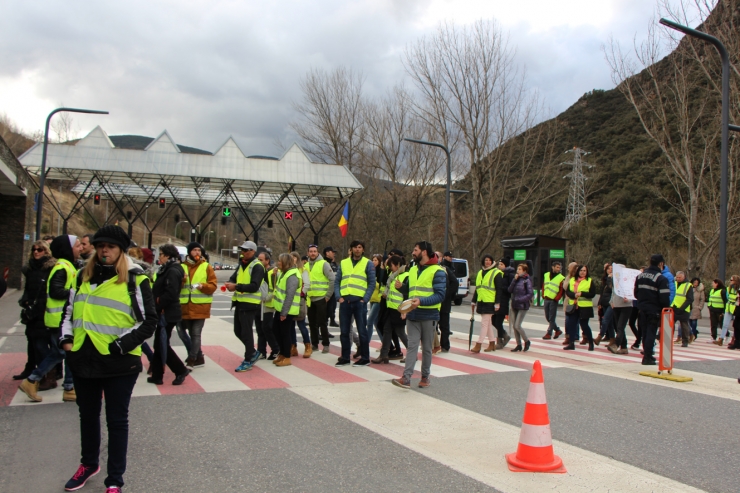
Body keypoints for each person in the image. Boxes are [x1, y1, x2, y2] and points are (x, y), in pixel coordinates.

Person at [58, 225, 157, 493]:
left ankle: (115, 478)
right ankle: (88, 464)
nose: (104, 250)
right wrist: (66, 340)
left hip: (118, 362)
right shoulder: (82, 277)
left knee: (116, 420)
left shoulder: (136, 279)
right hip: (82, 358)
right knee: (87, 416)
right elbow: (69, 312)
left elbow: (149, 321)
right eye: (100, 245)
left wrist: (121, 345)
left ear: (121, 250)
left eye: (111, 246)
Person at [18, 235, 81, 403]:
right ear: (68, 248)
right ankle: (32, 379)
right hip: (58, 318)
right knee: (60, 352)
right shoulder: (62, 267)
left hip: (61, 317)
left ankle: (69, 387)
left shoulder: (66, 266)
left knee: (67, 352)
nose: (81, 248)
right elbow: (55, 291)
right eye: (78, 245)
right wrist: (78, 294)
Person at [392, 241, 446, 389]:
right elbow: (410, 291)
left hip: (429, 316)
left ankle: (425, 377)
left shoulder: (438, 271)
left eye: (415, 250)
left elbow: (440, 295)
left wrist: (421, 301)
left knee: (427, 348)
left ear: (423, 252)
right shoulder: (413, 269)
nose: (412, 252)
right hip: (413, 314)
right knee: (412, 347)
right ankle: (406, 378)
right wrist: (401, 288)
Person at [147, 244, 189, 386]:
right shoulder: (168, 269)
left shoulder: (172, 270)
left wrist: (159, 303)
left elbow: (171, 293)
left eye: (161, 254)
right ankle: (157, 375)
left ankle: (180, 370)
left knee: (162, 343)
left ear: (168, 256)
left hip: (167, 312)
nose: (159, 257)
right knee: (159, 343)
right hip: (164, 311)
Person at [14, 241, 55, 382]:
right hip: (32, 311)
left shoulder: (50, 268)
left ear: (46, 251)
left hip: (43, 312)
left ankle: (48, 374)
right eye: (34, 249)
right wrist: (25, 302)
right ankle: (31, 368)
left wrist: (42, 307)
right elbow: (27, 289)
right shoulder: (30, 269)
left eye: (40, 249)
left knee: (41, 344)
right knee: (32, 342)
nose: (36, 252)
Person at [334, 240, 375, 367]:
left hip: (359, 302)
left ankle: (365, 358)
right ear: (351, 249)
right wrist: (338, 297)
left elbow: (372, 283)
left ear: (363, 249)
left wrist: (365, 299)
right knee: (344, 331)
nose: (357, 249)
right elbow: (337, 281)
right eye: (355, 247)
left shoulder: (367, 263)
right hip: (345, 301)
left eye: (360, 247)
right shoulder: (344, 263)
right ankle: (345, 357)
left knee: (362, 331)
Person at [225, 241, 265, 371]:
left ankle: (248, 359)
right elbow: (233, 277)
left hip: (250, 304)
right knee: (238, 331)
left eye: (246, 250)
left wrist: (236, 286)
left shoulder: (257, 266)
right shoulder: (242, 264)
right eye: (242, 250)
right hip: (240, 302)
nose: (244, 252)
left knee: (247, 332)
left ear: (253, 251)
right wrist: (230, 283)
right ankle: (253, 352)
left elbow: (254, 286)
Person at [179, 242, 217, 369]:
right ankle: (199, 357)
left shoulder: (206, 266)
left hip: (200, 306)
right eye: (194, 250)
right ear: (189, 252)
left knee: (196, 334)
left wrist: (203, 286)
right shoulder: (182, 267)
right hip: (185, 306)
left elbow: (213, 286)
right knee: (189, 332)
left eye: (199, 250)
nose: (197, 253)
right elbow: (175, 286)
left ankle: (192, 359)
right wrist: (182, 280)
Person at [634, 254, 672, 365]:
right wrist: (665, 309)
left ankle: (646, 354)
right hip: (654, 309)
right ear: (661, 264)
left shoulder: (640, 276)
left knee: (644, 333)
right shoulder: (661, 278)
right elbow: (664, 298)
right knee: (651, 333)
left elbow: (636, 293)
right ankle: (648, 357)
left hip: (641, 309)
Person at [372, 255, 409, 363]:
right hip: (391, 308)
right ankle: (384, 355)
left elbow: (407, 294)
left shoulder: (406, 275)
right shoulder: (394, 275)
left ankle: (412, 354)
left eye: (391, 266)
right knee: (387, 331)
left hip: (399, 310)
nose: (390, 268)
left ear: (397, 265)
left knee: (400, 333)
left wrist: (404, 310)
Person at [272, 253, 301, 367]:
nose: (278, 263)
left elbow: (290, 295)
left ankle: (287, 356)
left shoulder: (292, 275)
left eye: (280, 261)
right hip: (280, 308)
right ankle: (282, 353)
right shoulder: (284, 273)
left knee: (285, 334)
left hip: (287, 310)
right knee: (276, 330)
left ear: (285, 262)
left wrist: (284, 312)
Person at [306, 244, 335, 354]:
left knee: (322, 322)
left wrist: (328, 296)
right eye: (311, 251)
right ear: (308, 253)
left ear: (317, 252)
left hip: (321, 298)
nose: (312, 253)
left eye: (314, 251)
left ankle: (326, 344)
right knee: (312, 323)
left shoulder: (324, 264)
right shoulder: (306, 265)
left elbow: (332, 279)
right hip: (310, 298)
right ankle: (314, 344)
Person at [470, 255, 500, 353]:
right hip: (482, 301)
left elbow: (499, 290)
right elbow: (478, 288)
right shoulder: (480, 272)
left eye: (489, 260)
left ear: (492, 262)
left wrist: (497, 303)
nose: (487, 262)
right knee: (488, 324)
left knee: (484, 324)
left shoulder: (496, 273)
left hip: (490, 301)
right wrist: (474, 301)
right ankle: (492, 343)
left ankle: (479, 344)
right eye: (486, 260)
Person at [563, 264, 596, 351]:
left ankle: (591, 343)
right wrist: (574, 295)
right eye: (581, 270)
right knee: (572, 325)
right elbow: (568, 292)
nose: (582, 272)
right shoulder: (573, 280)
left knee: (584, 325)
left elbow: (592, 294)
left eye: (584, 271)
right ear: (578, 271)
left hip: (585, 307)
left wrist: (582, 294)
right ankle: (571, 343)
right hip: (573, 306)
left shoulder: (589, 280)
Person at [256, 251, 280, 360]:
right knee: (260, 329)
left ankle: (276, 349)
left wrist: (267, 297)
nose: (259, 261)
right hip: (257, 303)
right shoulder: (258, 271)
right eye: (258, 259)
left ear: (267, 261)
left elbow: (276, 288)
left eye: (261, 260)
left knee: (267, 328)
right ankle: (261, 351)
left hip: (268, 304)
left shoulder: (273, 272)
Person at [289, 251, 312, 357]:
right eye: (291, 257)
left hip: (299, 299)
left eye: (294, 257)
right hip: (289, 300)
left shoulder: (303, 270)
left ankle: (308, 346)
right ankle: (293, 347)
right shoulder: (287, 270)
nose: (293, 259)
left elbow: (307, 284)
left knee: (301, 324)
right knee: (291, 326)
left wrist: (301, 293)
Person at [509, 263, 534, 352]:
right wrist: (514, 280)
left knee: (517, 325)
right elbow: (510, 290)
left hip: (522, 305)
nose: (517, 271)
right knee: (514, 326)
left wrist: (520, 299)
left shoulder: (527, 280)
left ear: (524, 271)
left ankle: (526, 341)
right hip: (514, 304)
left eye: (519, 269)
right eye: (517, 269)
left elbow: (530, 293)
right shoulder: (516, 279)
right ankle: (518, 344)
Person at [438, 253, 458, 352]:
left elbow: (455, 282)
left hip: (444, 302)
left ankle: (445, 345)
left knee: (444, 326)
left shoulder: (446, 268)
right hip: (435, 302)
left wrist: (447, 294)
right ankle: (434, 344)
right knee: (432, 326)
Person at [496, 257, 515, 349]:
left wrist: (501, 288)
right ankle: (505, 335)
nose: (499, 266)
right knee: (494, 321)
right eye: (499, 264)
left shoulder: (509, 275)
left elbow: (510, 289)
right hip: (496, 299)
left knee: (498, 321)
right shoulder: (498, 273)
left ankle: (500, 340)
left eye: (502, 264)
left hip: (504, 300)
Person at [542, 261, 564, 340]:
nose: (558, 269)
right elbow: (544, 285)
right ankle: (557, 330)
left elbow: (561, 290)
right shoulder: (546, 275)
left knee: (552, 318)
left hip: (553, 300)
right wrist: (543, 295)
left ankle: (549, 333)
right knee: (547, 317)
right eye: (557, 267)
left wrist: (557, 298)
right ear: (553, 267)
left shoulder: (561, 277)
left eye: (559, 267)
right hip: (546, 298)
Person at [671, 271, 694, 348]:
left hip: (683, 309)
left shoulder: (688, 285)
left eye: (679, 277)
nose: (678, 279)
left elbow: (690, 299)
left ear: (684, 277)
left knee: (684, 325)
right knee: (670, 324)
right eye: (677, 277)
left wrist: (682, 308)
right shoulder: (674, 283)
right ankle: (668, 339)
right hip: (674, 306)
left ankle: (685, 341)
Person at [595, 263, 615, 346]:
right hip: (604, 302)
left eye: (611, 268)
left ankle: (600, 336)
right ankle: (612, 339)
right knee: (609, 322)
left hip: (611, 302)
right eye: (608, 269)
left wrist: (610, 279)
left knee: (605, 319)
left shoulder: (613, 279)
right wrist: (600, 302)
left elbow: (611, 288)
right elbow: (602, 292)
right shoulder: (604, 279)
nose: (610, 270)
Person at [367, 254, 384, 343]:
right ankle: (386, 344)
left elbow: (380, 285)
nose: (374, 262)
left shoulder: (381, 272)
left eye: (376, 260)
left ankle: (366, 343)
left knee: (369, 321)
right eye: (373, 260)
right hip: (372, 299)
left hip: (378, 300)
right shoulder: (371, 272)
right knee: (376, 323)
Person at [717, 275, 739, 346]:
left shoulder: (738, 289)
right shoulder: (728, 289)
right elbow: (727, 298)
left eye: (731, 280)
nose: (730, 281)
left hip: (736, 308)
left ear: (736, 281)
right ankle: (721, 338)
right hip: (728, 307)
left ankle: (734, 339)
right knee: (725, 324)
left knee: (736, 325)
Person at [561, 262, 578, 347]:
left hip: (577, 301)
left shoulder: (578, 277)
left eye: (569, 267)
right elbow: (565, 287)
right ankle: (569, 337)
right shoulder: (568, 276)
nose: (568, 269)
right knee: (568, 320)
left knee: (575, 321)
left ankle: (575, 336)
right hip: (568, 301)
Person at [323, 246, 339, 329]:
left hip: (332, 291)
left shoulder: (332, 263)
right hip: (326, 291)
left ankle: (325, 330)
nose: (334, 254)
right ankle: (321, 332)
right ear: (327, 253)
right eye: (332, 252)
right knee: (325, 313)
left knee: (330, 310)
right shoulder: (325, 263)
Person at [689, 277, 704, 342]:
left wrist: (700, 307)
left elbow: (702, 299)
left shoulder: (700, 290)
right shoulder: (689, 288)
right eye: (694, 282)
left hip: (696, 308)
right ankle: (690, 334)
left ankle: (694, 334)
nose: (695, 284)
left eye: (697, 283)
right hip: (689, 307)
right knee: (689, 322)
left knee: (694, 322)